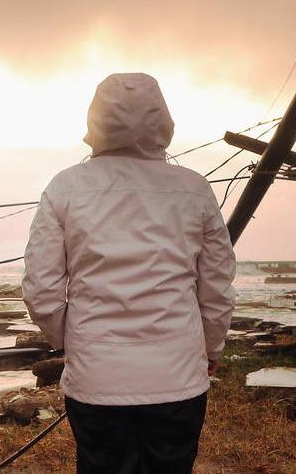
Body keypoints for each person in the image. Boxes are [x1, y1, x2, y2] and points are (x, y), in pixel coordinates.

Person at [22, 72, 237, 473]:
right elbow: (217, 287)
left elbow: (41, 291)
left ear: (95, 121)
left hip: (95, 380)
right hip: (178, 379)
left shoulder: (64, 188)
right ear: (163, 121)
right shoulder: (194, 189)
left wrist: (75, 342)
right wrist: (210, 348)